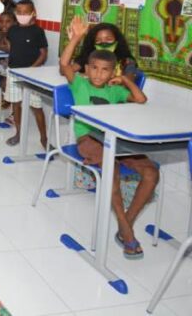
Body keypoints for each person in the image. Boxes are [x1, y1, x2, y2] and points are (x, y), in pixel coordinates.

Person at [60, 38, 153, 259]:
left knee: (151, 172)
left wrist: (125, 81)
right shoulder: (80, 84)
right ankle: (127, 231)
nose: (99, 74)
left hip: (117, 140)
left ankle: (124, 224)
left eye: (105, 71)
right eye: (94, 69)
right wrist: (75, 38)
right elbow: (64, 64)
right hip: (89, 140)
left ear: (113, 73)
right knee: (113, 170)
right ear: (86, 69)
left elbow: (140, 99)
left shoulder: (116, 91)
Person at [4, 0, 48, 147]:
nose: (22, 15)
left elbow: (43, 54)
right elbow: (12, 48)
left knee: (36, 107)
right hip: (14, 73)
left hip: (32, 75)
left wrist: (31, 70)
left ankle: (44, 138)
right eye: (19, 12)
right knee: (16, 105)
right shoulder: (12, 30)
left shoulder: (38, 31)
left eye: (26, 12)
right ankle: (18, 133)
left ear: (33, 13)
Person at [67, 16, 138, 81]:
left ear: (117, 41)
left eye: (108, 39)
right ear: (93, 44)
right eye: (98, 40)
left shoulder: (126, 61)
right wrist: (73, 41)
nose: (104, 43)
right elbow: (65, 70)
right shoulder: (89, 56)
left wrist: (119, 79)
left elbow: (130, 79)